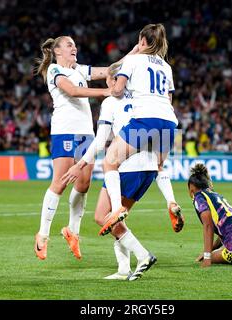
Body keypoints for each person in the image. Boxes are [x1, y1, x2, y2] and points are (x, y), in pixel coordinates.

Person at [62, 63, 184, 280]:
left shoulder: (110, 102)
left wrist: (79, 164)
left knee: (102, 216)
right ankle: (123, 269)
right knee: (117, 221)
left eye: (109, 80)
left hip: (125, 166)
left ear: (114, 80)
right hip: (148, 168)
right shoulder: (142, 99)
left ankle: (143, 255)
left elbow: (100, 142)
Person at [33, 36, 136, 261]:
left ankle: (73, 231)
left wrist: (135, 51)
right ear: (57, 51)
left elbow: (110, 69)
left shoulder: (79, 69)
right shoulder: (54, 70)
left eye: (75, 45)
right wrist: (106, 92)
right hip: (64, 131)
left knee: (83, 183)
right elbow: (72, 91)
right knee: (60, 182)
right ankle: (42, 234)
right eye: (69, 45)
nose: (74, 48)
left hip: (85, 133)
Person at [100, 24, 179, 236]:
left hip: (145, 118)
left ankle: (117, 208)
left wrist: (113, 86)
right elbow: (169, 99)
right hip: (169, 122)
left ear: (142, 41)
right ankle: (171, 202)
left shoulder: (133, 60)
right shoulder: (166, 67)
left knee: (109, 162)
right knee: (158, 165)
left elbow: (117, 89)